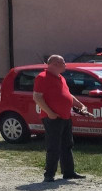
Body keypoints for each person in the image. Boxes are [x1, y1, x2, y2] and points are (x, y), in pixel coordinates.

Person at [32, 55, 88, 183]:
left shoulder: (61, 77)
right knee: (54, 146)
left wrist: (80, 105)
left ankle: (68, 172)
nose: (65, 65)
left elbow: (67, 95)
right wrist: (50, 113)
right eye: (63, 62)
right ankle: (49, 174)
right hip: (52, 118)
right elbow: (37, 97)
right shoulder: (42, 77)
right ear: (55, 64)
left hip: (65, 116)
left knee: (67, 145)